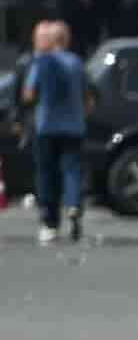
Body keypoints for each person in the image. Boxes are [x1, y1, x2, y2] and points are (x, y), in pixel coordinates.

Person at [21, 20, 93, 245]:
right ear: (67, 39)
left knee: (46, 174)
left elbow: (29, 94)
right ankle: (73, 205)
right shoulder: (77, 63)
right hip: (74, 127)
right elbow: (88, 96)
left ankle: (50, 222)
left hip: (47, 127)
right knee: (72, 170)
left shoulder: (42, 62)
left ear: (51, 40)